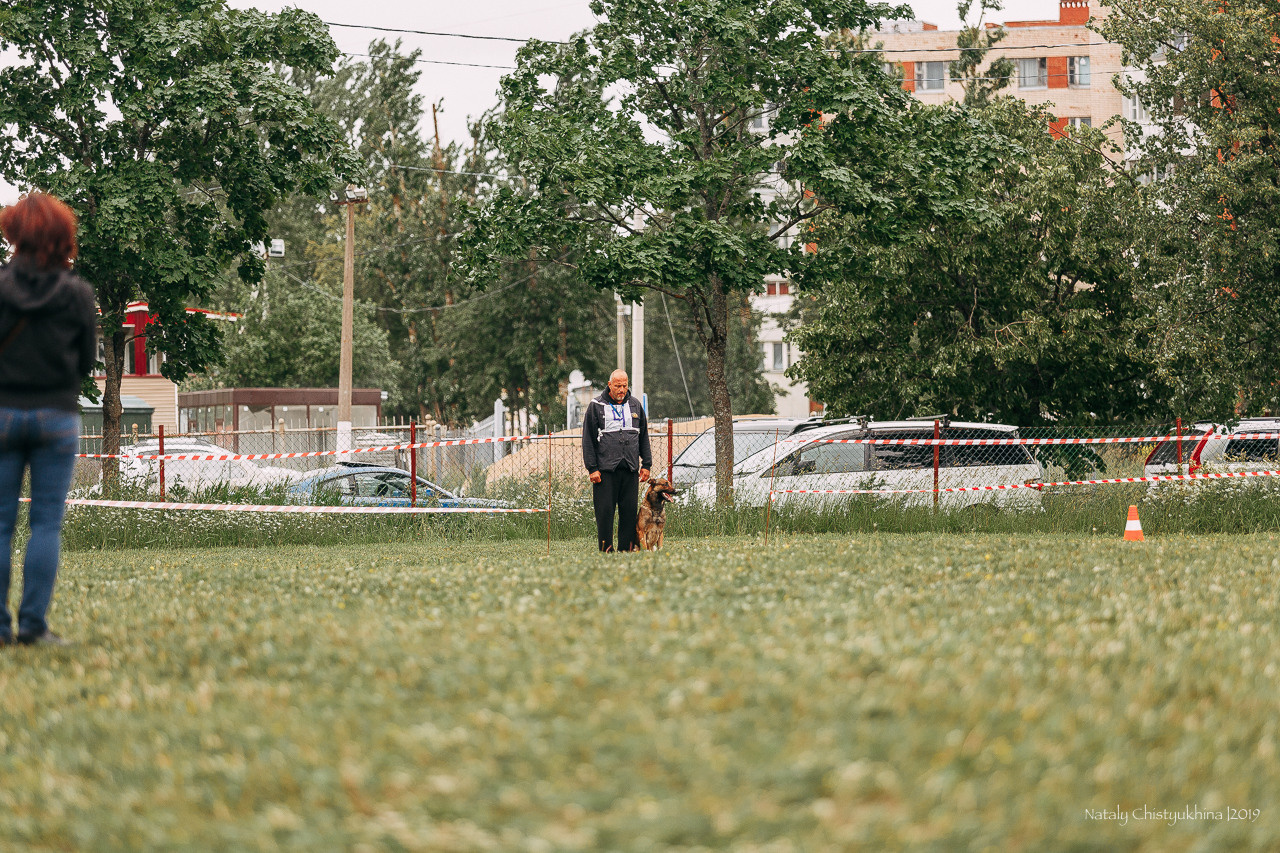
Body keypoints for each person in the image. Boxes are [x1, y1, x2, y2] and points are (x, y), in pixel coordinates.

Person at [0, 193, 98, 647]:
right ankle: (33, 628)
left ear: (13, 233)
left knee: (0, 524)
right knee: (45, 524)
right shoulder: (78, 294)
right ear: (64, 238)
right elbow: (84, 362)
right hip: (56, 415)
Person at [582, 369, 651, 552]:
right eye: (618, 386)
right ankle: (606, 549)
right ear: (609, 384)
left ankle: (625, 549)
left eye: (624, 385)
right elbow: (587, 439)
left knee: (628, 513)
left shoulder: (635, 405)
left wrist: (647, 465)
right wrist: (592, 468)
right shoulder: (596, 405)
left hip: (629, 469)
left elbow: (643, 436)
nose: (621, 389)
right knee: (605, 513)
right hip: (605, 471)